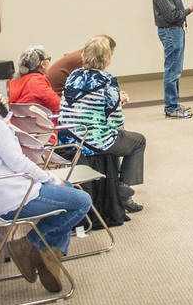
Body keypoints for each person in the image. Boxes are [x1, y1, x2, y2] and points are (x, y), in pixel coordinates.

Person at [0, 74, 91, 293]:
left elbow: (1, 147)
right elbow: (20, 163)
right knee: (82, 201)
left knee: (67, 192)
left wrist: (2, 114)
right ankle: (31, 245)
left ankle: (49, 259)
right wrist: (52, 179)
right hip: (12, 198)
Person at [58, 36, 146, 213]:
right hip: (92, 141)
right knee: (138, 141)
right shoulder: (107, 80)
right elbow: (116, 121)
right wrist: (119, 102)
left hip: (66, 139)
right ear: (107, 58)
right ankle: (123, 191)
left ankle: (119, 190)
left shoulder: (73, 75)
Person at [153, 0, 193, 119]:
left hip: (175, 31)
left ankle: (173, 103)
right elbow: (172, 15)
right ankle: (171, 108)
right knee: (172, 71)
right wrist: (191, 9)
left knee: (175, 70)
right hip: (171, 32)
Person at [8, 46, 60, 114]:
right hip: (40, 120)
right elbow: (58, 105)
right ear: (42, 64)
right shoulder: (36, 81)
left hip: (16, 120)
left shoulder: (13, 82)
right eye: (48, 59)